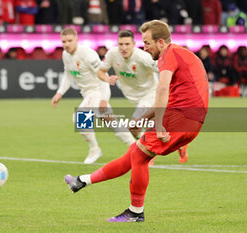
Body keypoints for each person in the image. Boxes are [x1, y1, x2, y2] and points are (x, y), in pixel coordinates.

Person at [64, 20, 209, 222]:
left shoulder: (168, 55)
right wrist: (142, 120)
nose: (144, 47)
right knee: (133, 153)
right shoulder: (179, 54)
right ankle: (82, 181)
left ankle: (135, 212)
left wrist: (158, 126)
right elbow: (171, 98)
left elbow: (162, 89)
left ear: (160, 42)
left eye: (147, 42)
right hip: (187, 118)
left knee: (140, 157)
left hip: (181, 117)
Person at [97, 30, 189, 164]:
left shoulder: (143, 57)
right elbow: (100, 72)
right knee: (134, 131)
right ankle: (178, 145)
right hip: (133, 97)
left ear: (134, 44)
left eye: (127, 44)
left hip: (149, 94)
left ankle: (148, 155)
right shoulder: (112, 54)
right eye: (120, 44)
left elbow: (165, 69)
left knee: (134, 125)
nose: (123, 48)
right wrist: (107, 78)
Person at [52, 28, 135, 164]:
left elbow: (104, 75)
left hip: (96, 91)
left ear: (77, 40)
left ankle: (95, 149)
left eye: (70, 41)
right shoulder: (65, 55)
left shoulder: (88, 54)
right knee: (113, 124)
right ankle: (135, 147)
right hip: (87, 94)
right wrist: (59, 93)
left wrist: (103, 99)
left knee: (78, 118)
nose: (67, 44)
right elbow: (68, 74)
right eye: (64, 41)